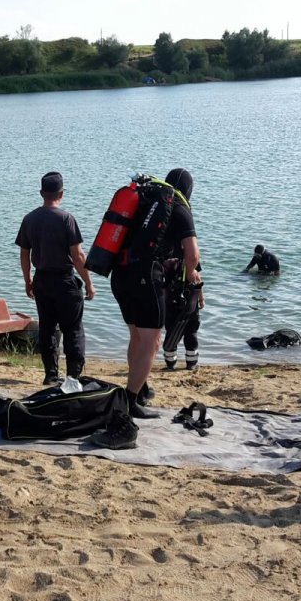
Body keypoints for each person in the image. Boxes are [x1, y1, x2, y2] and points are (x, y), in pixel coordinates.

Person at [93, 168, 199, 450]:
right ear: (188, 191)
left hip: (120, 275)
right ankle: (128, 406)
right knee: (152, 341)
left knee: (137, 338)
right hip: (144, 278)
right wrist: (192, 276)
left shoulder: (144, 200)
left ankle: (137, 395)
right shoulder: (178, 208)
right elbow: (193, 254)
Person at [16, 171, 96, 386]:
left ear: (42, 193)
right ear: (61, 193)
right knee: (73, 329)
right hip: (64, 281)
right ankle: (73, 376)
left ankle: (51, 373)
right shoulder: (66, 219)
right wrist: (88, 282)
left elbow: (24, 254)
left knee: (47, 328)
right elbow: (78, 255)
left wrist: (28, 280)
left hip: (42, 280)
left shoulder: (29, 219)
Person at [162, 258, 203, 370]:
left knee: (171, 333)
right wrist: (201, 299)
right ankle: (191, 364)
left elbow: (162, 285)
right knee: (191, 333)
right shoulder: (191, 258)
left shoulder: (166, 260)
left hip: (171, 303)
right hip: (190, 302)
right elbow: (197, 280)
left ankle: (170, 364)